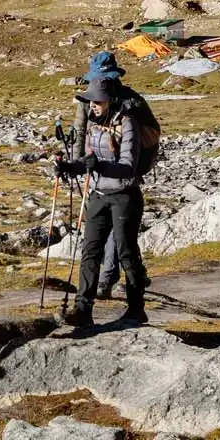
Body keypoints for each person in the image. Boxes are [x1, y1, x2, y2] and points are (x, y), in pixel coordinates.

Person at [56, 77, 148, 327]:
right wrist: (69, 167)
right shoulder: (95, 124)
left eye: (96, 101)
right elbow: (88, 160)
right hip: (98, 194)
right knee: (90, 251)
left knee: (126, 252)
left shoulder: (128, 124)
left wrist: (99, 165)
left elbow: (128, 168)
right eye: (90, 101)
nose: (92, 105)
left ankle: (136, 309)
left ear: (110, 101)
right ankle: (82, 310)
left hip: (124, 196)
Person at [72, 52, 127, 299]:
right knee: (100, 233)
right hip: (95, 174)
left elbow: (132, 151)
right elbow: (79, 132)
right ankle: (96, 289)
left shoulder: (128, 104)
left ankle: (108, 278)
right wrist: (76, 165)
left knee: (118, 233)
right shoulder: (87, 101)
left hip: (122, 178)